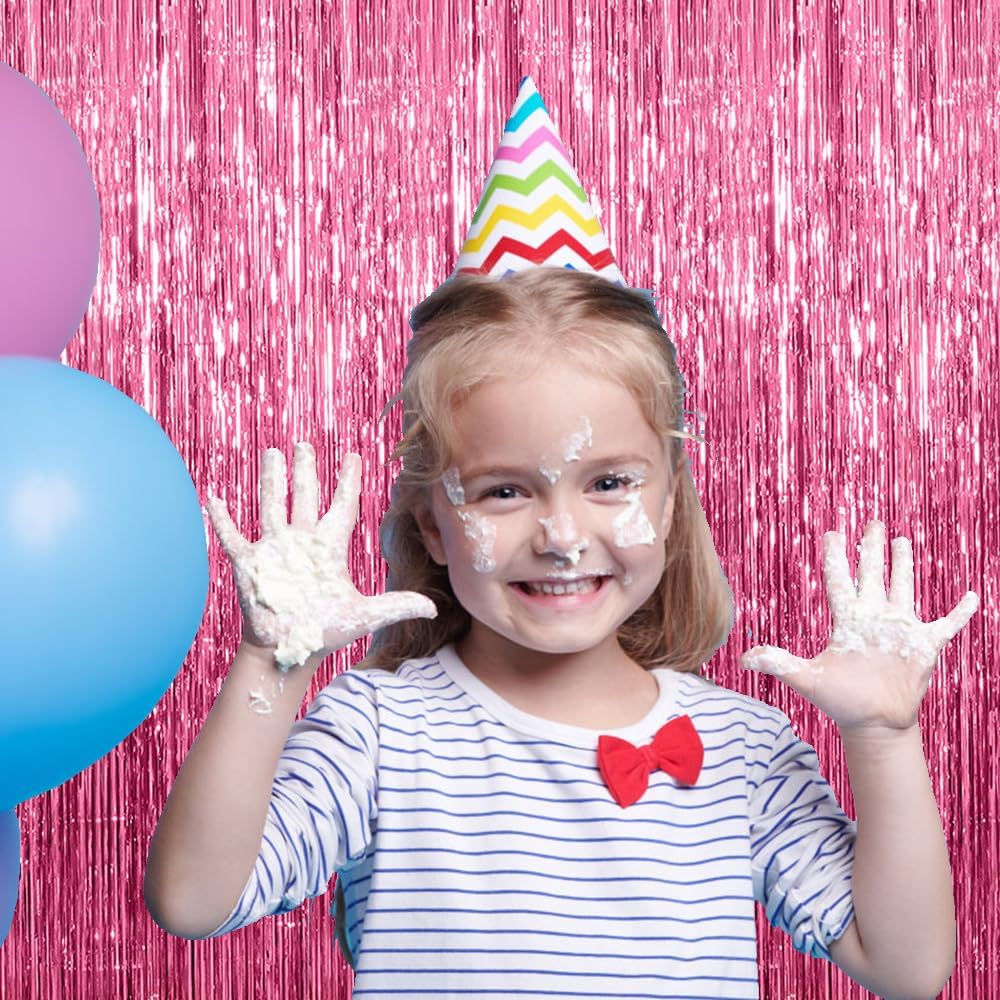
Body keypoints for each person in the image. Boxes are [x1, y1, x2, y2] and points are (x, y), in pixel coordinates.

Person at [145, 78, 977, 1000]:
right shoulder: (382, 730)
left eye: (609, 483)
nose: (561, 536)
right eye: (504, 491)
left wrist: (885, 740)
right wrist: (271, 667)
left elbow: (907, 969)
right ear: (432, 523)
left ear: (670, 502)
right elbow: (193, 899)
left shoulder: (741, 745)